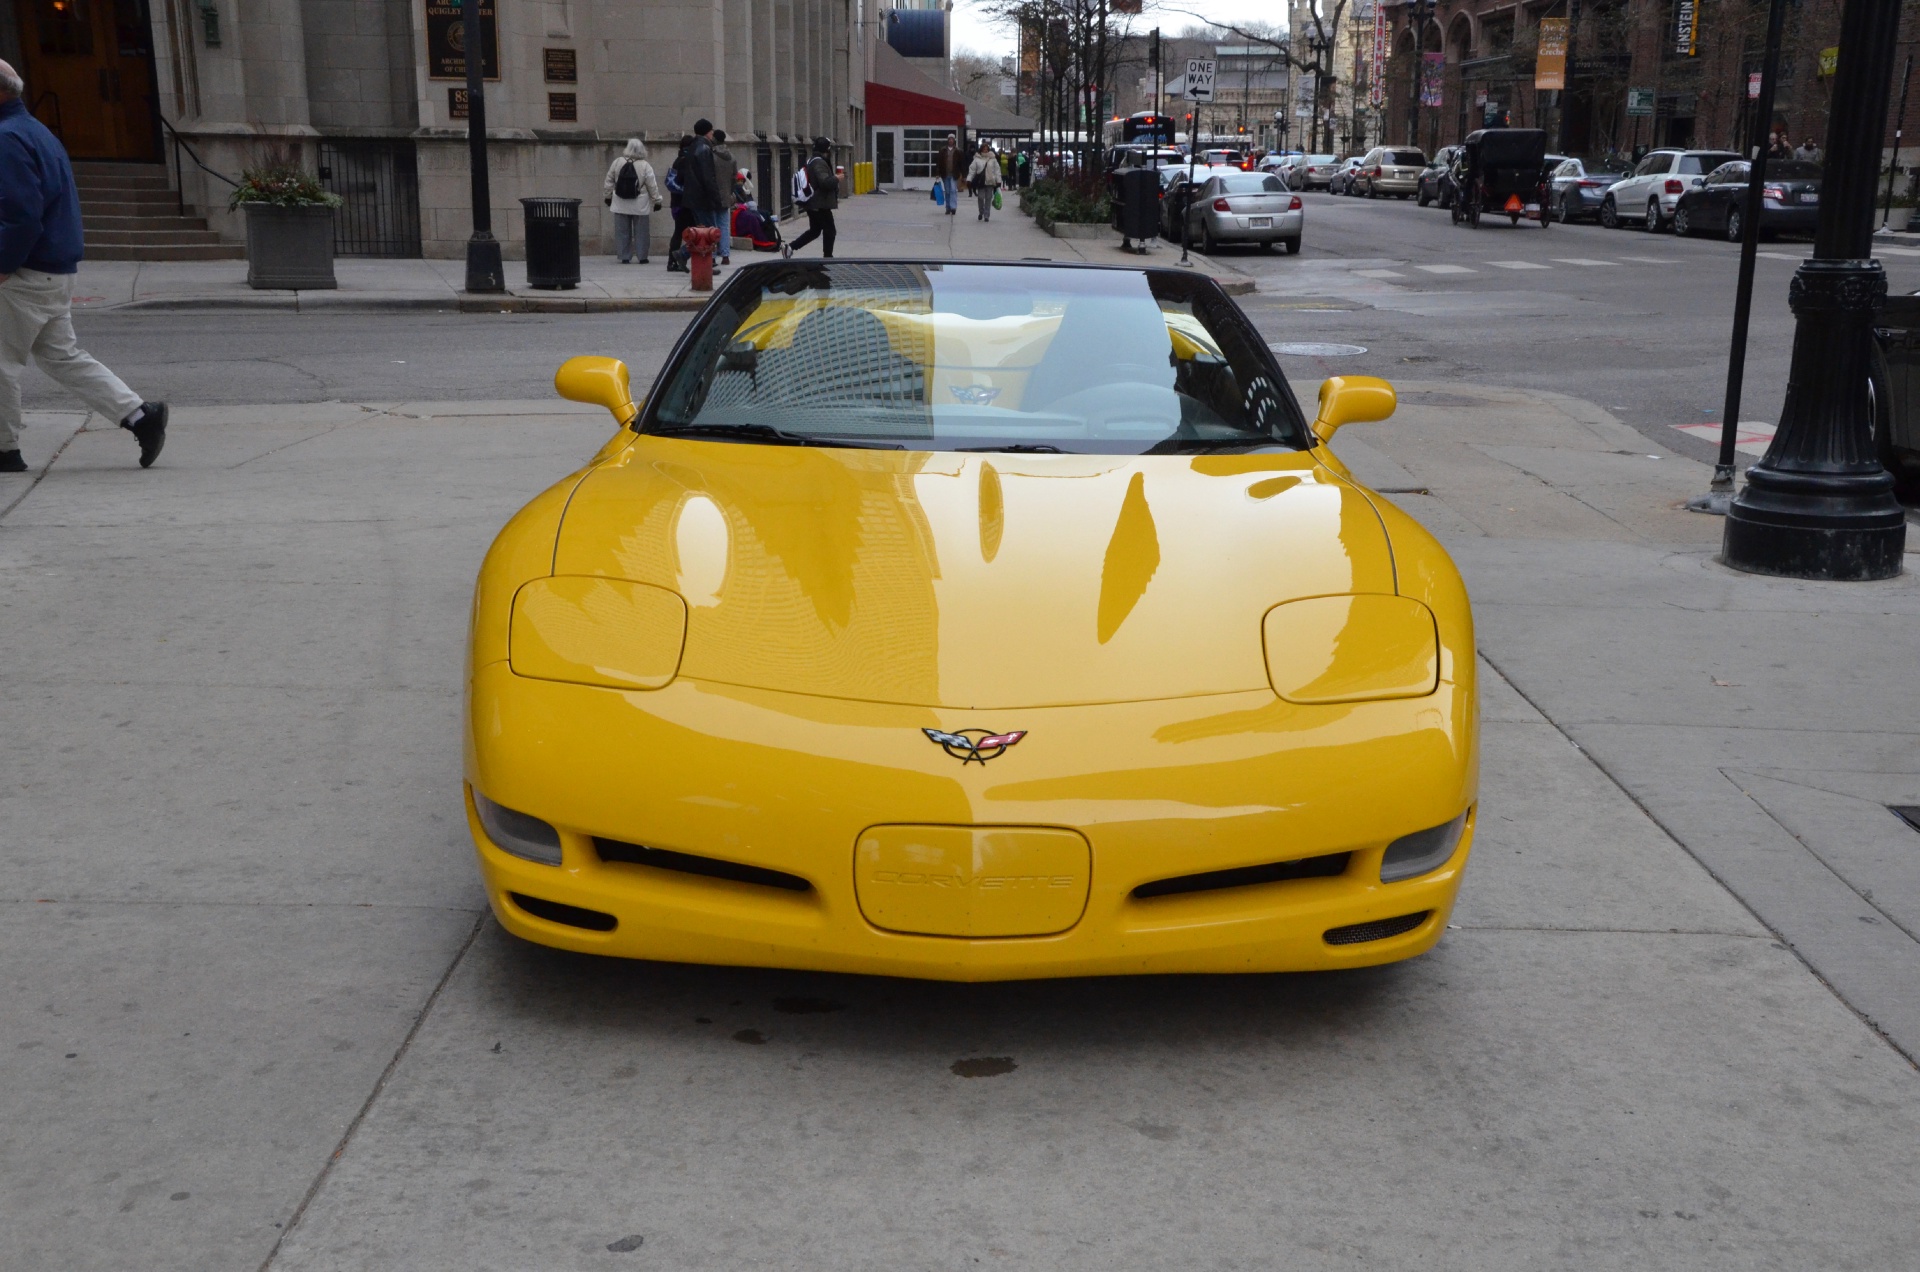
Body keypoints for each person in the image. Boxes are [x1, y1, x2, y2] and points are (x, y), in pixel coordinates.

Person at [0, 59, 165, 472]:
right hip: (53, 268)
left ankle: (4, 450)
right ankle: (140, 416)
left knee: (3, 364)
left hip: (24, 272)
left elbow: (20, 216)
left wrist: (2, 264)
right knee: (61, 356)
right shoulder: (36, 132)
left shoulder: (6, 138)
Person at [602, 138, 663, 265]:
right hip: (640, 203)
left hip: (620, 201)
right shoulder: (645, 165)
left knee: (622, 231)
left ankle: (625, 256)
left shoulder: (617, 162)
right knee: (642, 231)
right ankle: (642, 256)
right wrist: (657, 200)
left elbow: (609, 181)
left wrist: (608, 196)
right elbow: (652, 185)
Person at [782, 137, 841, 259]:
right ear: (826, 149)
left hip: (814, 203)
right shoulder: (819, 162)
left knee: (815, 231)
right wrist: (837, 178)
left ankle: (790, 247)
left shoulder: (812, 160)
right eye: (829, 149)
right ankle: (828, 257)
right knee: (830, 231)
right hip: (819, 204)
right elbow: (824, 182)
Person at [681, 118, 725, 270]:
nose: (713, 133)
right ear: (707, 132)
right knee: (707, 232)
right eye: (711, 130)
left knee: (700, 230)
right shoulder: (704, 149)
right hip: (703, 198)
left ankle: (684, 255)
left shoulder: (694, 146)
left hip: (694, 196)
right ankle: (686, 256)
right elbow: (708, 177)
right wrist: (716, 198)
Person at [711, 128, 737, 265]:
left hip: (714, 195)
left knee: (713, 226)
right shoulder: (731, 157)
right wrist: (730, 191)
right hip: (726, 194)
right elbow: (734, 177)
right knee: (724, 226)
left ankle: (713, 254)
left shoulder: (711, 156)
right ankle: (725, 255)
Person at [967, 140, 1003, 222]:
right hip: (981, 181)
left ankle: (987, 215)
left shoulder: (993, 159)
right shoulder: (977, 159)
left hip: (990, 181)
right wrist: (969, 179)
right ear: (981, 149)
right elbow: (972, 170)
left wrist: (998, 180)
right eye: (984, 149)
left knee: (988, 198)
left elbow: (997, 170)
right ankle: (981, 212)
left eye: (987, 149)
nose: (985, 150)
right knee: (980, 197)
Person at [935, 133, 962, 215]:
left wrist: (963, 174)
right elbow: (939, 162)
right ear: (948, 140)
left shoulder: (958, 151)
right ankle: (948, 207)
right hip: (945, 174)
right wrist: (937, 173)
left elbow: (961, 163)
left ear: (954, 140)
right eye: (949, 139)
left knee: (953, 190)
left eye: (952, 139)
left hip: (954, 174)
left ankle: (953, 207)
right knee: (947, 191)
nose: (951, 140)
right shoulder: (943, 150)